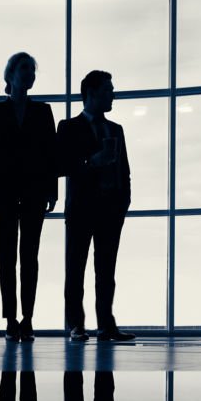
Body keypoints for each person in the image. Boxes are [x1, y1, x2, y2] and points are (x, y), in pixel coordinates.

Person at [0, 53, 58, 342]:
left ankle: (27, 317)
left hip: (35, 191)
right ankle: (11, 318)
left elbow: (51, 154)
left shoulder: (43, 111)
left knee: (30, 258)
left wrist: (52, 189)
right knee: (8, 258)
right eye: (24, 69)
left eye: (32, 70)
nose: (30, 74)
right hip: (3, 193)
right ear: (10, 75)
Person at [57, 71, 136, 342]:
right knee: (75, 268)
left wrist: (124, 201)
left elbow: (124, 170)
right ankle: (76, 326)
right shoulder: (68, 127)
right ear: (91, 93)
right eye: (107, 89)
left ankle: (106, 326)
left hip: (111, 207)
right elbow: (57, 166)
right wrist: (91, 162)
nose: (112, 94)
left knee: (106, 271)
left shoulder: (116, 130)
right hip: (81, 208)